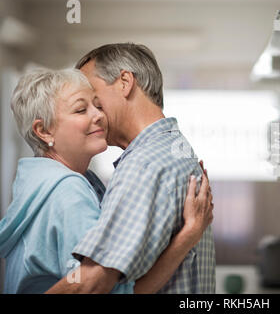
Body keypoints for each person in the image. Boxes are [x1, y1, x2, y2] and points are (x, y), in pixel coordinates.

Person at [0, 68, 213, 293]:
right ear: (43, 131)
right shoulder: (67, 192)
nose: (99, 115)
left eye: (98, 105)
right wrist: (188, 235)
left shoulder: (38, 183)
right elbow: (99, 290)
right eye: (81, 109)